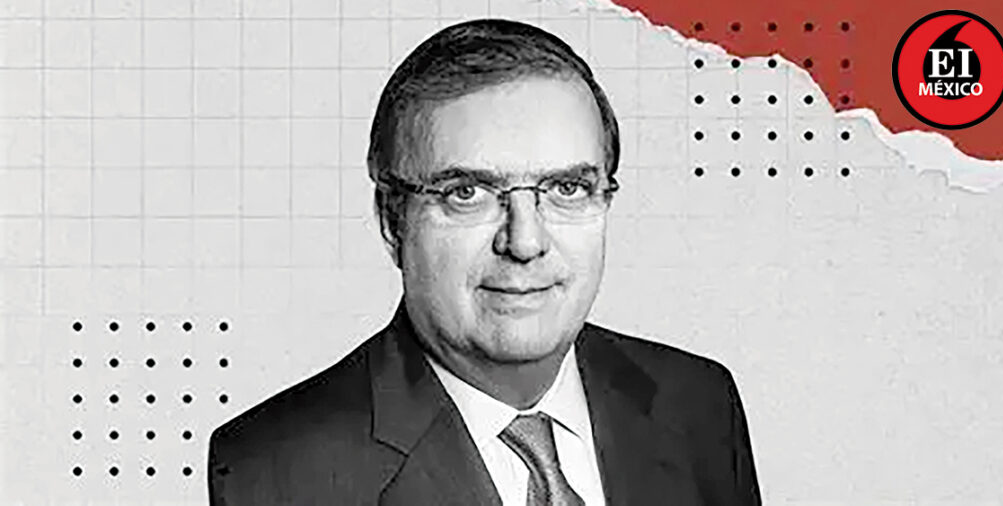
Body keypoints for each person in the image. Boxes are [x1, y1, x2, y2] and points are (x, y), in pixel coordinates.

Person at [207, 18, 760, 505]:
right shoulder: (275, 470)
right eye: (466, 193)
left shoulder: (698, 404)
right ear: (393, 221)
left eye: (567, 188)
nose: (525, 242)